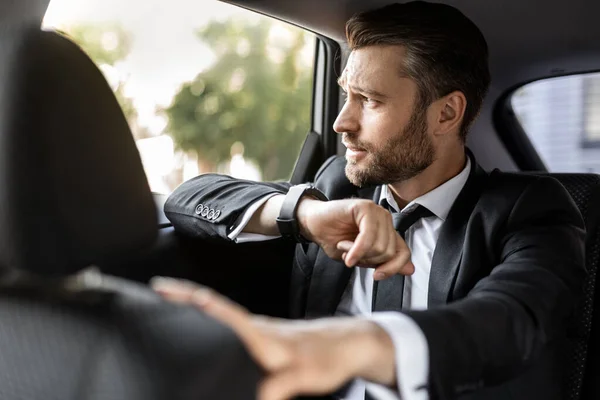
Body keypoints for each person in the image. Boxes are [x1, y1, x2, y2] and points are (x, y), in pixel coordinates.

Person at [161, 2, 586, 400]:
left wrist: (351, 346)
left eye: (370, 100)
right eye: (347, 95)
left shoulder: (530, 210)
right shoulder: (335, 187)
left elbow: (509, 321)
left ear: (446, 114)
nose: (341, 122)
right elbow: (188, 198)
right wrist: (305, 214)